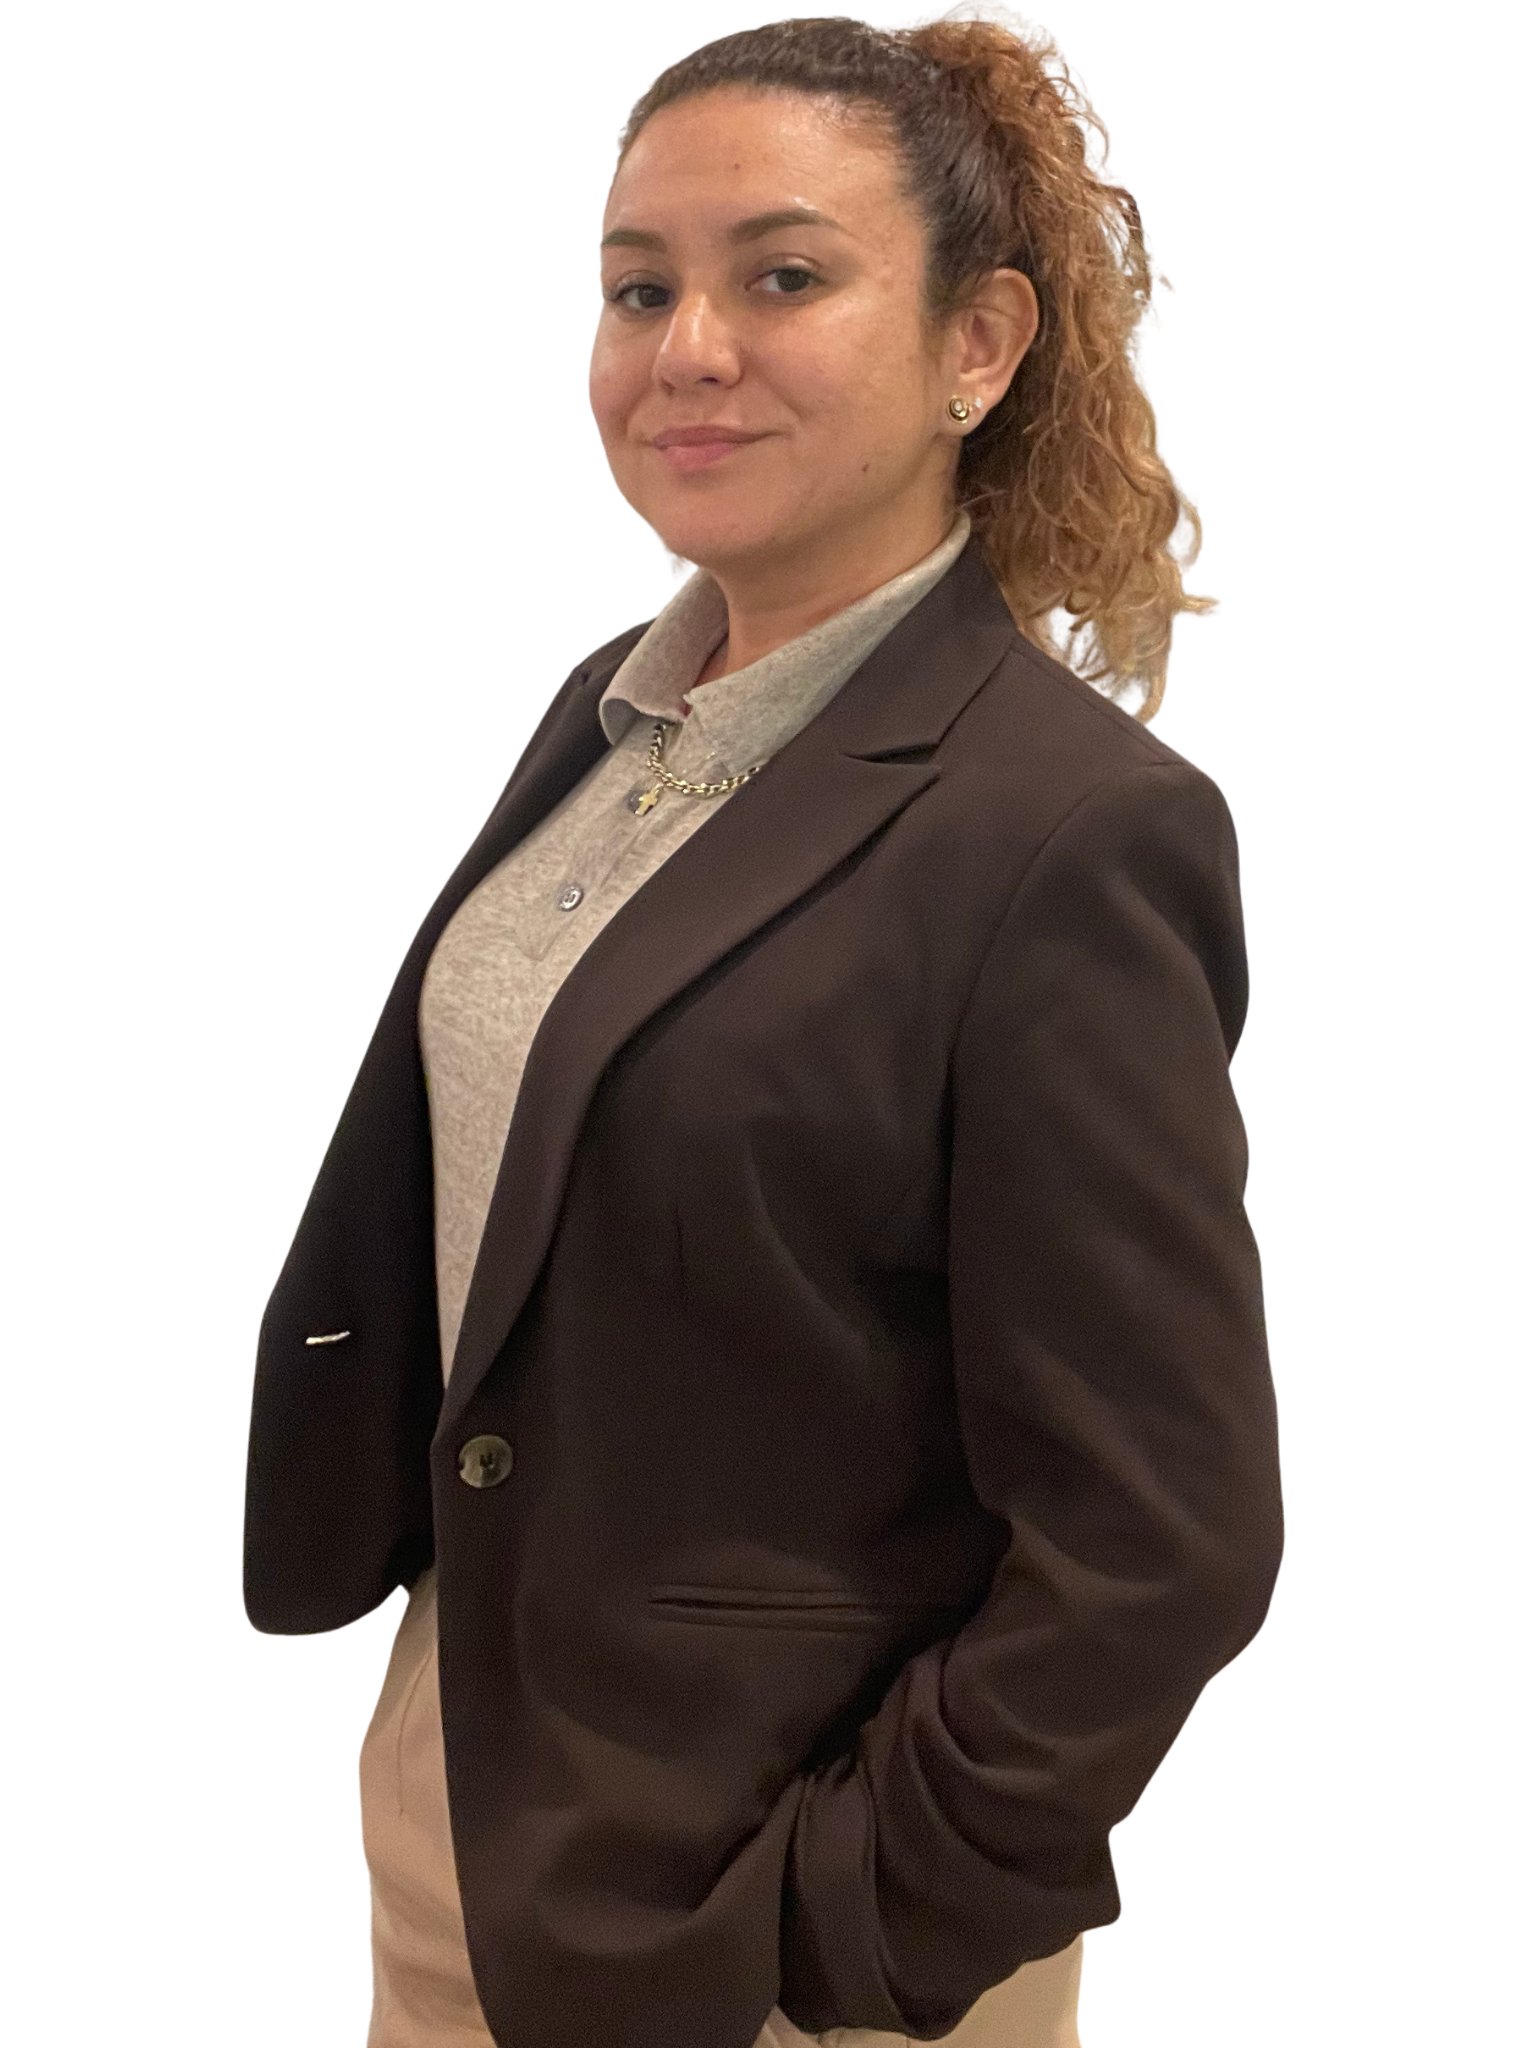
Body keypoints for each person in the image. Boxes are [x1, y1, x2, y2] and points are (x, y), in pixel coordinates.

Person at [243, 16, 1283, 2048]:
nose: (686, 346)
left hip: (774, 1915)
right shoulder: (611, 718)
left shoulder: (1063, 833)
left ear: (978, 346)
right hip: (481, 1817)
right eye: (641, 286)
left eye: (782, 277)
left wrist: (859, 1924)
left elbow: (1165, 1532)